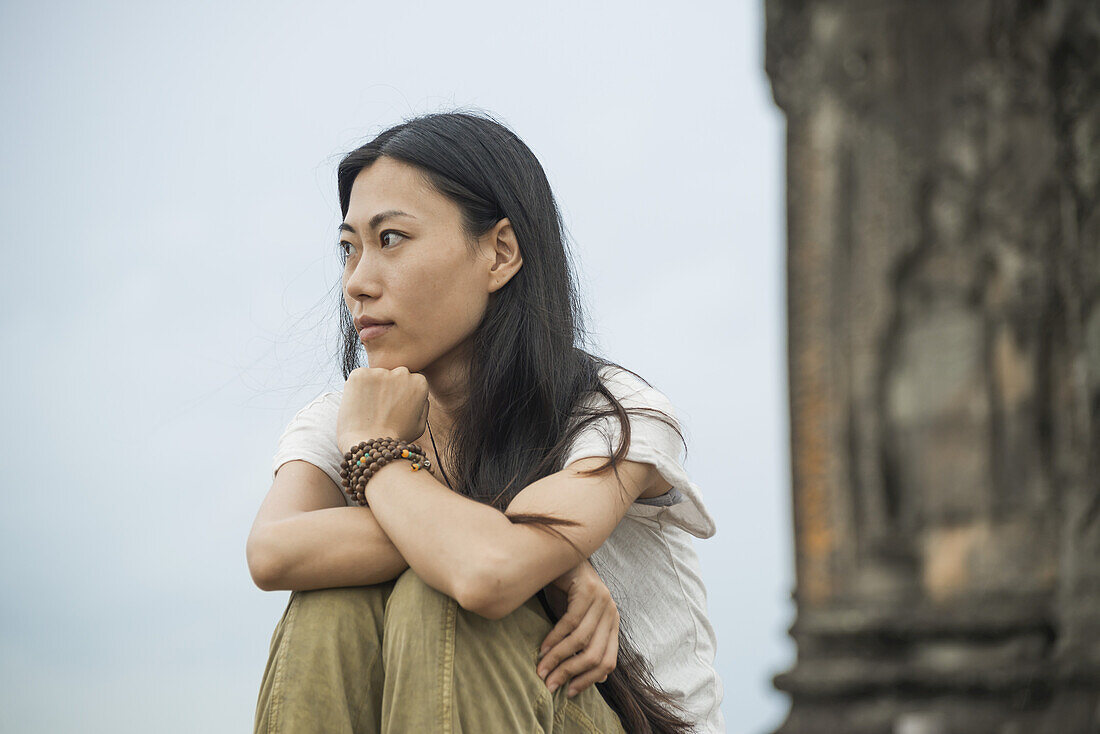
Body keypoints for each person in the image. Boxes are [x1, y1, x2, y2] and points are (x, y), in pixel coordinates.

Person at [246, 110, 726, 733]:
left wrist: (374, 455)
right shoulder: (343, 413)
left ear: (499, 253)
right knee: (331, 602)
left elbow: (486, 574)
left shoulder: (614, 413)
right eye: (348, 248)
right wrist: (548, 558)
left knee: (445, 603)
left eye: (390, 238)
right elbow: (273, 550)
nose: (357, 282)